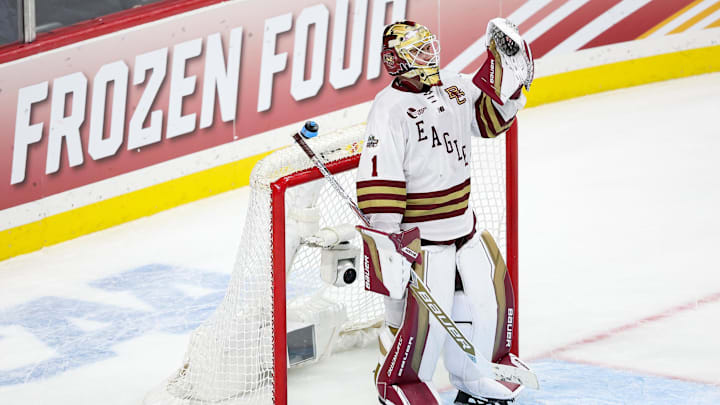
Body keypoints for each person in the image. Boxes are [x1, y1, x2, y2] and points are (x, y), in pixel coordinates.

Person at [355, 19, 534, 405]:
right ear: (395, 61)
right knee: (418, 326)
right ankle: (399, 386)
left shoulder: (454, 84)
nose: (428, 55)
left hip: (463, 229)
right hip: (424, 241)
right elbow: (379, 180)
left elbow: (488, 121)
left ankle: (472, 375)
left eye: (427, 47)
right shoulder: (388, 110)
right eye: (416, 51)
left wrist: (510, 85)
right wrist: (389, 243)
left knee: (482, 305)